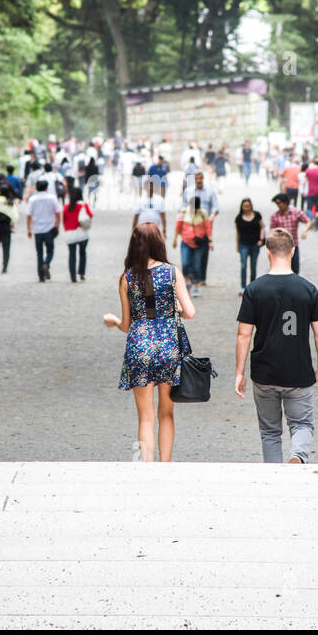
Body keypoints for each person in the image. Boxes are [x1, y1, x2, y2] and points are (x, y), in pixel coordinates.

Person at [235, 229, 318, 464]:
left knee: (269, 431)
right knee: (302, 424)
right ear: (293, 251)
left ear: (267, 252)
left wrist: (239, 372)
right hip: (298, 371)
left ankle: (274, 473)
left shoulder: (254, 289)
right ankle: (298, 454)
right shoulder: (308, 289)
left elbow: (243, 335)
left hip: (264, 372)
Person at [103, 223, 195, 462]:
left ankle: (147, 468)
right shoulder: (172, 272)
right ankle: (165, 465)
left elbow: (126, 324)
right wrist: (176, 309)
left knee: (145, 417)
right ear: (159, 242)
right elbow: (190, 312)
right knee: (166, 413)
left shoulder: (127, 277)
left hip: (139, 346)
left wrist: (112, 320)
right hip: (168, 346)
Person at [174, 195, 213, 297]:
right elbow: (178, 226)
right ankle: (187, 282)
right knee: (185, 263)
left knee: (197, 265)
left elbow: (208, 227)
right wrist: (175, 240)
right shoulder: (183, 213)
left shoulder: (203, 214)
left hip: (199, 243)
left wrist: (210, 241)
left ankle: (195, 286)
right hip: (186, 242)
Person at [26, 179, 61, 282]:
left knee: (39, 253)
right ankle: (47, 263)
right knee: (50, 250)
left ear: (36, 188)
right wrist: (57, 226)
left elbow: (29, 215)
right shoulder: (52, 198)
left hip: (37, 230)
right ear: (46, 187)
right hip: (49, 228)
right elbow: (58, 212)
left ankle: (41, 276)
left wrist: (29, 229)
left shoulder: (33, 199)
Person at [269, 193, 312, 274]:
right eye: (276, 203)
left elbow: (308, 221)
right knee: (281, 271)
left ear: (285, 202)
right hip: (280, 248)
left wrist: (305, 230)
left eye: (279, 203)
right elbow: (272, 232)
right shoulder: (275, 216)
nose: (278, 205)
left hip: (293, 246)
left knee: (295, 271)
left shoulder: (295, 212)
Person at [235, 198, 265, 295]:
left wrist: (261, 239)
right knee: (243, 265)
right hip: (243, 244)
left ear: (251, 206)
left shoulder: (257, 215)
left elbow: (262, 227)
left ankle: (252, 286)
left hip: (255, 244)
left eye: (248, 206)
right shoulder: (239, 218)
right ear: (242, 207)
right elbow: (238, 233)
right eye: (245, 206)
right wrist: (237, 245)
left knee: (253, 266)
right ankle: (243, 287)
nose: (247, 208)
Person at [63, 185, 93, 283]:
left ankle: (72, 275)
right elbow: (90, 215)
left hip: (70, 234)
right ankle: (81, 273)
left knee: (72, 254)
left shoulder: (66, 207)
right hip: (82, 234)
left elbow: (64, 220)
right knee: (82, 253)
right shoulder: (83, 205)